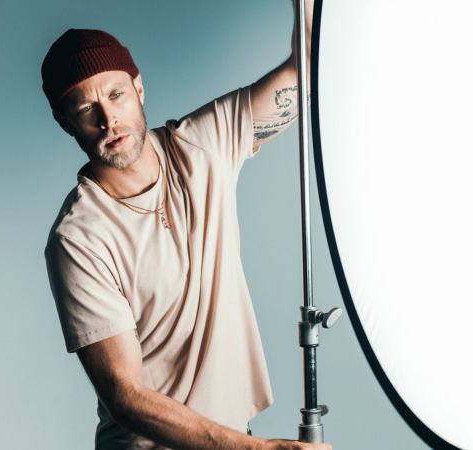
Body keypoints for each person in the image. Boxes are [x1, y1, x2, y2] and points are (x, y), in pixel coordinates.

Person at [41, 2, 331, 449]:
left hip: (233, 440)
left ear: (139, 88)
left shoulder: (202, 145)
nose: (108, 119)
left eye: (116, 95)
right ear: (66, 123)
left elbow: (306, 70)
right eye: (86, 108)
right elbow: (125, 395)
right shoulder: (79, 238)